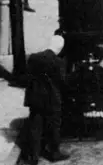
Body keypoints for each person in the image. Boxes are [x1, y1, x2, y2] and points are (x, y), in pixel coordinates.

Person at [22, 35, 69, 165]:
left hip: (35, 98)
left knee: (35, 127)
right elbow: (63, 82)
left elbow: (28, 77)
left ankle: (33, 157)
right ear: (60, 48)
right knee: (53, 127)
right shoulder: (59, 62)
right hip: (52, 99)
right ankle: (54, 153)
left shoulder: (33, 58)